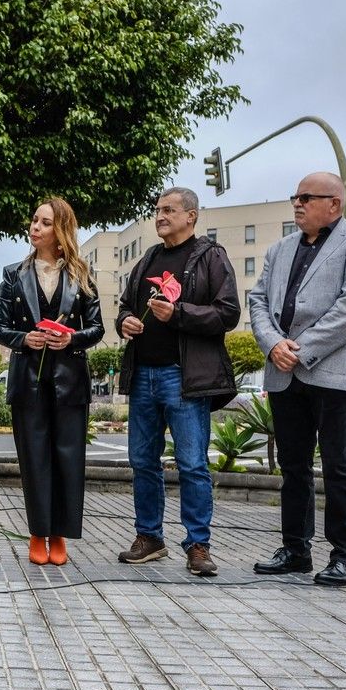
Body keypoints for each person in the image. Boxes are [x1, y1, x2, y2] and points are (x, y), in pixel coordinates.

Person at [249, 172, 346, 586]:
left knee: (339, 467)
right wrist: (273, 345)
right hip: (283, 373)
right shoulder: (278, 249)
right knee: (293, 466)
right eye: (295, 197)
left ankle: (345, 556)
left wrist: (300, 349)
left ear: (335, 205)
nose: (297, 204)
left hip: (333, 373)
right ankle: (295, 550)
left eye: (307, 197)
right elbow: (257, 301)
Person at [115, 187, 240, 576]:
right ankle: (149, 537)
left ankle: (198, 545)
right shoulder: (149, 258)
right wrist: (125, 322)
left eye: (169, 210)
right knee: (142, 462)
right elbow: (124, 305)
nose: (160, 216)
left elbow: (228, 313)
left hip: (184, 377)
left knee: (191, 464)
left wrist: (179, 313)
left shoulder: (211, 256)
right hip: (143, 376)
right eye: (157, 210)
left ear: (192, 216)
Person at [0, 197, 104, 565]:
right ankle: (37, 533)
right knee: (34, 459)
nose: (35, 227)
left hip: (70, 381)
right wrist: (25, 339)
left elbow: (97, 328)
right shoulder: (12, 274)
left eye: (44, 222)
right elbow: (0, 328)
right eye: (34, 220)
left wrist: (71, 337)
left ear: (60, 232)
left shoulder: (82, 275)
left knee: (68, 459)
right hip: (28, 381)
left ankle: (60, 536)